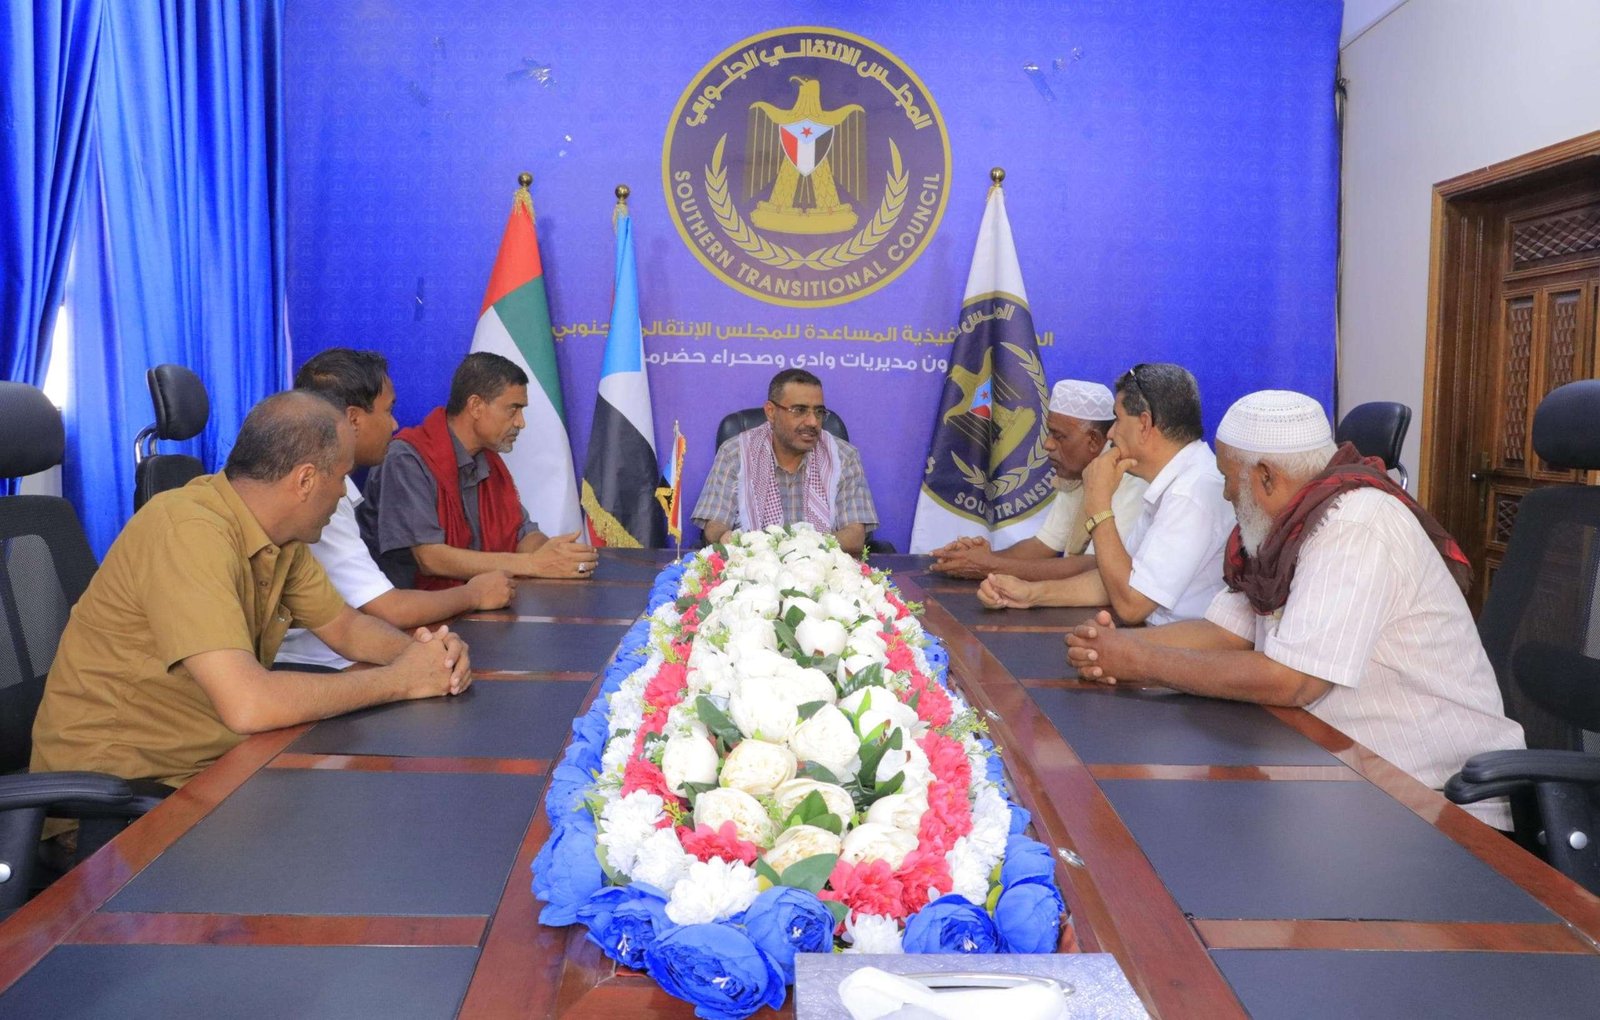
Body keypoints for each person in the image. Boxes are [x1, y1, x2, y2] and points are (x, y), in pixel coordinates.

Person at [1066, 390, 1525, 828]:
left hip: (1434, 801)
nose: (1225, 494)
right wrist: (1112, 648)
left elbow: (1295, 680)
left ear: (1266, 476)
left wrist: (1142, 661)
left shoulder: (1355, 525)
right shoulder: (1284, 526)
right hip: (1337, 766)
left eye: (1228, 478)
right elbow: (1227, 632)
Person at [30, 391, 473, 793]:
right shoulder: (187, 531)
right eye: (341, 478)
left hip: (217, 764)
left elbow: (346, 628)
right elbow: (249, 704)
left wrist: (426, 657)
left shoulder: (278, 536)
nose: (343, 494)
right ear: (305, 480)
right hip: (122, 793)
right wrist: (399, 680)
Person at [276, 349, 517, 671]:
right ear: (353, 420)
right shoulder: (313, 497)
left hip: (354, 647)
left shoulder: (330, 488)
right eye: (388, 410)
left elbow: (355, 622)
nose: (395, 423)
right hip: (315, 665)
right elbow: (388, 609)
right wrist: (474, 594)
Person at [978, 363, 1235, 625]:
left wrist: (1099, 503)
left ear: (1144, 424)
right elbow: (1115, 581)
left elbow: (1131, 605)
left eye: (1118, 420)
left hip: (1171, 644)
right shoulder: (1174, 482)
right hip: (1150, 637)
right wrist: (1030, 594)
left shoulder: (1190, 493)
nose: (1110, 434)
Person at [359, 351, 596, 587]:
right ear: (475, 406)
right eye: (513, 409)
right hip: (412, 605)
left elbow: (522, 534)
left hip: (480, 601)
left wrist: (555, 555)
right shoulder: (406, 458)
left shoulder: (488, 459)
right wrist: (533, 564)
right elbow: (430, 558)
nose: (521, 422)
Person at [929, 379, 1147, 580]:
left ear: (1094, 440)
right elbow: (1044, 544)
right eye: (1049, 433)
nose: (1048, 444)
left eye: (1059, 436)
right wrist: (977, 559)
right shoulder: (1077, 472)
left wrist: (989, 566)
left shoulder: (1130, 477)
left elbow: (1093, 567)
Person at [692, 368, 879, 555]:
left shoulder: (843, 456)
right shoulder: (735, 453)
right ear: (771, 412)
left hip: (820, 567)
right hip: (753, 565)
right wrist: (725, 538)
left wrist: (797, 551)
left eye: (819, 412)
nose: (813, 422)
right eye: (799, 410)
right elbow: (714, 526)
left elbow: (855, 537)